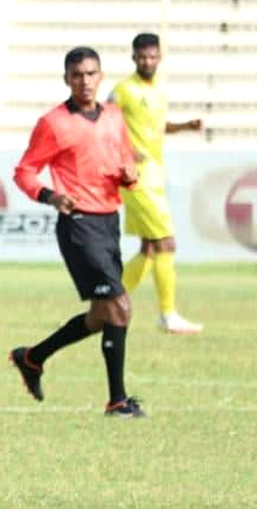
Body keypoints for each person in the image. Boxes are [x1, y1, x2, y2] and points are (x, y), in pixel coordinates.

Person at [10, 46, 147, 418]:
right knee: (120, 306)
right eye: (77, 75)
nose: (84, 81)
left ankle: (32, 357)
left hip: (108, 222)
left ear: (100, 76)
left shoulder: (114, 116)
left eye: (90, 74)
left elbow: (124, 164)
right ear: (66, 79)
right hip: (79, 226)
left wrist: (130, 174)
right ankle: (118, 401)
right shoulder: (53, 123)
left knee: (101, 316)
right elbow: (24, 172)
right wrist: (51, 196)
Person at [111, 33, 204, 334]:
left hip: (155, 174)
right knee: (166, 242)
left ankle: (107, 303)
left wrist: (186, 126)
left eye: (152, 56)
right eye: (142, 56)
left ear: (159, 57)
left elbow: (158, 126)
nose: (147, 61)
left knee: (150, 248)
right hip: (135, 177)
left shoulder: (160, 88)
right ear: (133, 57)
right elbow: (102, 123)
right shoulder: (123, 90)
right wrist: (125, 150)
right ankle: (168, 315)